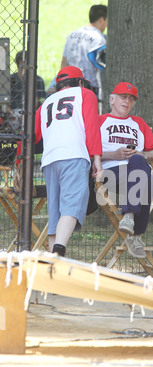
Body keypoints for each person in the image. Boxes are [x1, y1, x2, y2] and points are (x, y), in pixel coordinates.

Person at [34, 66, 103, 257]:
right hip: (73, 155)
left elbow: (33, 135)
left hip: (49, 160)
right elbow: (91, 127)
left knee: (55, 212)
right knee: (72, 206)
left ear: (58, 86)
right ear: (80, 82)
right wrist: (97, 157)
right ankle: (59, 252)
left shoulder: (46, 102)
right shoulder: (85, 94)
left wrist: (19, 161)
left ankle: (52, 262)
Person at [99, 82, 153, 259]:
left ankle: (129, 220)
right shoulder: (100, 121)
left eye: (131, 99)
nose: (127, 101)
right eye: (123, 97)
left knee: (141, 167)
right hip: (111, 173)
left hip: (137, 172)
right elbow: (87, 150)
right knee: (146, 179)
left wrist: (142, 153)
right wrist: (113, 155)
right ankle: (135, 234)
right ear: (112, 99)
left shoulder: (138, 123)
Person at [61, 4, 107, 96]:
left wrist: (63, 84)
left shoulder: (72, 35)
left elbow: (64, 62)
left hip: (70, 85)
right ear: (101, 20)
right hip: (90, 87)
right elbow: (102, 66)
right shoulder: (100, 39)